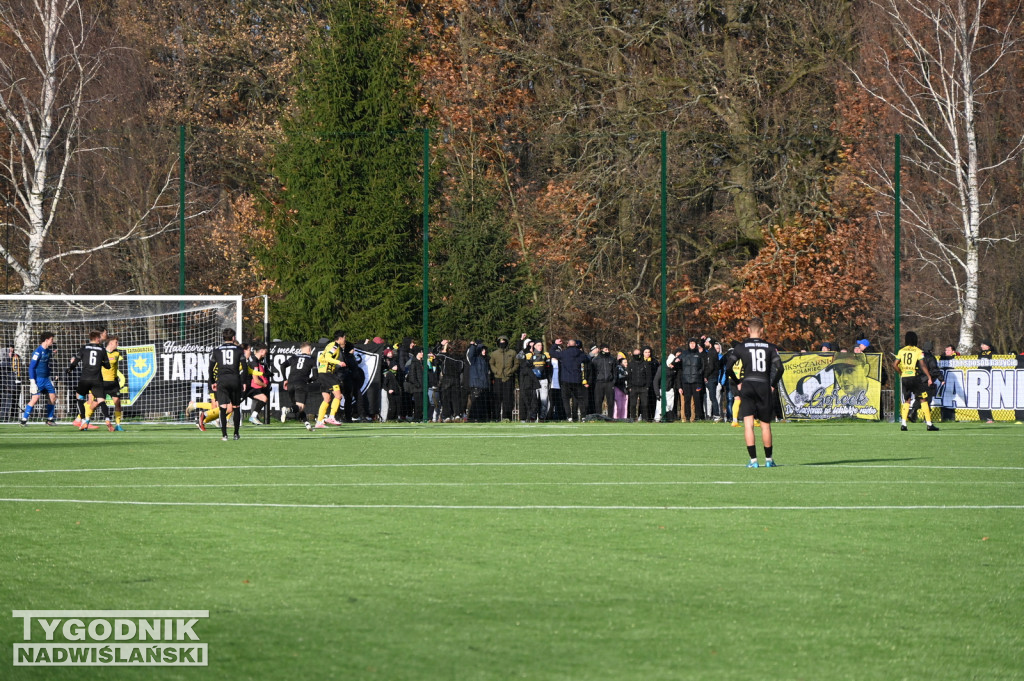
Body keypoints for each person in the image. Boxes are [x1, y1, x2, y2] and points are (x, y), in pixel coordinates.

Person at [725, 318, 784, 468]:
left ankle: (753, 461)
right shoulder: (770, 347)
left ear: (748, 330)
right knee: (765, 425)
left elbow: (728, 368)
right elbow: (780, 368)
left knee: (748, 425)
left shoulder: (740, 347)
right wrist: (773, 384)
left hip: (748, 385)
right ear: (762, 330)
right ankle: (769, 460)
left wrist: (738, 382)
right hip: (764, 385)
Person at [67, 330, 112, 431]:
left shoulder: (84, 348)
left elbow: (76, 361)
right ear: (97, 338)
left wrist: (70, 369)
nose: (100, 339)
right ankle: (107, 419)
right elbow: (108, 366)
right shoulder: (102, 349)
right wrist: (101, 363)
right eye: (100, 338)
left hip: (85, 379)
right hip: (97, 379)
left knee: (79, 398)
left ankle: (83, 421)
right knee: (101, 400)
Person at [894, 331, 938, 432]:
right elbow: (922, 365)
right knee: (923, 399)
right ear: (915, 340)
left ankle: (903, 424)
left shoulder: (901, 351)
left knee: (907, 400)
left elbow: (894, 365)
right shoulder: (918, 351)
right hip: (914, 377)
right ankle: (929, 424)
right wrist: (929, 377)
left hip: (904, 378)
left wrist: (901, 373)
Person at [209, 328, 247, 441]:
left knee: (223, 408)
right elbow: (244, 367)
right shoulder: (239, 350)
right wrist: (244, 382)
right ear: (233, 338)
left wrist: (212, 382)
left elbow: (210, 368)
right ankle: (236, 434)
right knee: (236, 407)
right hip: (235, 380)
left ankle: (224, 435)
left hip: (222, 380)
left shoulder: (216, 351)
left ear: (223, 337)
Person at [21, 332, 58, 426]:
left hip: (47, 379)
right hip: (38, 379)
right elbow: (31, 367)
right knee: (35, 398)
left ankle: (50, 420)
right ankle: (23, 420)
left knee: (53, 397)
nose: (52, 342)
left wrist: (53, 353)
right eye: (51, 340)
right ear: (46, 340)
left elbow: (47, 360)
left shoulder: (48, 351)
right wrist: (32, 382)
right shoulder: (37, 352)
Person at [550, 338, 590, 422]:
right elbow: (587, 359)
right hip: (577, 380)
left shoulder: (563, 353)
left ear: (568, 345)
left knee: (565, 399)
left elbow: (552, 353)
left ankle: (569, 417)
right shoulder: (580, 353)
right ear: (576, 345)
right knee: (580, 399)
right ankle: (583, 417)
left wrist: (556, 344)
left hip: (565, 380)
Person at [316, 331, 347, 427]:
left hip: (321, 372)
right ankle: (331, 417)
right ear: (340, 338)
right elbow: (328, 357)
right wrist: (338, 362)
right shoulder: (335, 346)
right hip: (327, 373)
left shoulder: (329, 345)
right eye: (345, 338)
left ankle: (319, 422)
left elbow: (320, 358)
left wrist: (328, 362)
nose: (345, 340)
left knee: (327, 398)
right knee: (338, 396)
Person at [283, 342, 316, 431]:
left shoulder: (294, 357)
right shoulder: (312, 359)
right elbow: (315, 376)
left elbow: (283, 365)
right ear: (309, 350)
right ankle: (287, 410)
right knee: (300, 406)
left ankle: (307, 424)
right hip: (301, 383)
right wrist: (309, 380)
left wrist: (285, 379)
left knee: (298, 407)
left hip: (290, 383)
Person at [489, 335, 519, 422]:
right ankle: (496, 417)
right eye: (500, 342)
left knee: (508, 399)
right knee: (497, 399)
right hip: (498, 378)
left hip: (508, 379)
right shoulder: (494, 354)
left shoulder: (512, 353)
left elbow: (516, 364)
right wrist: (496, 371)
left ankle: (507, 417)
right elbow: (491, 364)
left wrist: (511, 371)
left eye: (504, 342)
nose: (502, 344)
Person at [101, 335, 125, 431]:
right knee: (94, 404)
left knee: (117, 402)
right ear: (111, 343)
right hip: (102, 382)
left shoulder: (116, 354)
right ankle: (85, 421)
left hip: (113, 383)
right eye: (116, 342)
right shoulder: (101, 353)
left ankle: (118, 425)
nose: (118, 344)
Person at [243, 342, 270, 426]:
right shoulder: (254, 362)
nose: (267, 352)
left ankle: (253, 417)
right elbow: (255, 379)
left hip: (250, 388)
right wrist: (264, 385)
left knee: (263, 398)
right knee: (231, 407)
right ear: (261, 351)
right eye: (266, 351)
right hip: (244, 386)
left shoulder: (257, 361)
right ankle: (211, 416)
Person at [679, 339, 704, 422]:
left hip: (696, 381)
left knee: (697, 399)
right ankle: (687, 417)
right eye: (691, 343)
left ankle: (698, 417)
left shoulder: (699, 354)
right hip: (686, 380)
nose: (692, 345)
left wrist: (698, 373)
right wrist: (674, 362)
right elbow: (677, 362)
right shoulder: (684, 354)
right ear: (688, 344)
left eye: (694, 343)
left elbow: (703, 366)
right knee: (687, 400)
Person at [591, 343, 617, 417]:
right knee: (598, 401)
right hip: (599, 383)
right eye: (606, 349)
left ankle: (610, 417)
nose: (607, 351)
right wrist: (595, 381)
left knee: (611, 401)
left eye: (608, 349)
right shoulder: (595, 360)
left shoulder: (612, 359)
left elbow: (615, 371)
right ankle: (599, 416)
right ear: (601, 350)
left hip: (609, 383)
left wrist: (613, 381)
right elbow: (593, 372)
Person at [627, 348, 651, 421]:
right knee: (633, 404)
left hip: (643, 388)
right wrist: (630, 386)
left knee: (644, 404)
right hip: (633, 387)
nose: (638, 356)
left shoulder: (645, 364)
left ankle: (644, 419)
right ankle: (633, 418)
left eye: (639, 354)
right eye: (636, 354)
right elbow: (628, 376)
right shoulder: (630, 364)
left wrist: (647, 386)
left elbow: (648, 376)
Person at [0, 346, 22, 422]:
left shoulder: (11, 361)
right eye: (8, 352)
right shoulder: (4, 363)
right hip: (6, 386)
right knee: (5, 401)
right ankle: (3, 417)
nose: (10, 353)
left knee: (7, 402)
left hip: (9, 386)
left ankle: (5, 417)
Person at [977, 340, 995, 424]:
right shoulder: (980, 354)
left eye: (983, 345)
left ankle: (991, 418)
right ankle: (985, 417)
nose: (981, 346)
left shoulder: (993, 354)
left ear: (988, 346)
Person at [940, 345, 958, 422]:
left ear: (953, 351)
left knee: (951, 399)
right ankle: (944, 417)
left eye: (948, 350)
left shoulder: (957, 359)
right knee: (943, 398)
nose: (946, 352)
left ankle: (951, 417)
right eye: (945, 350)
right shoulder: (942, 358)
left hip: (952, 383)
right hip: (944, 381)